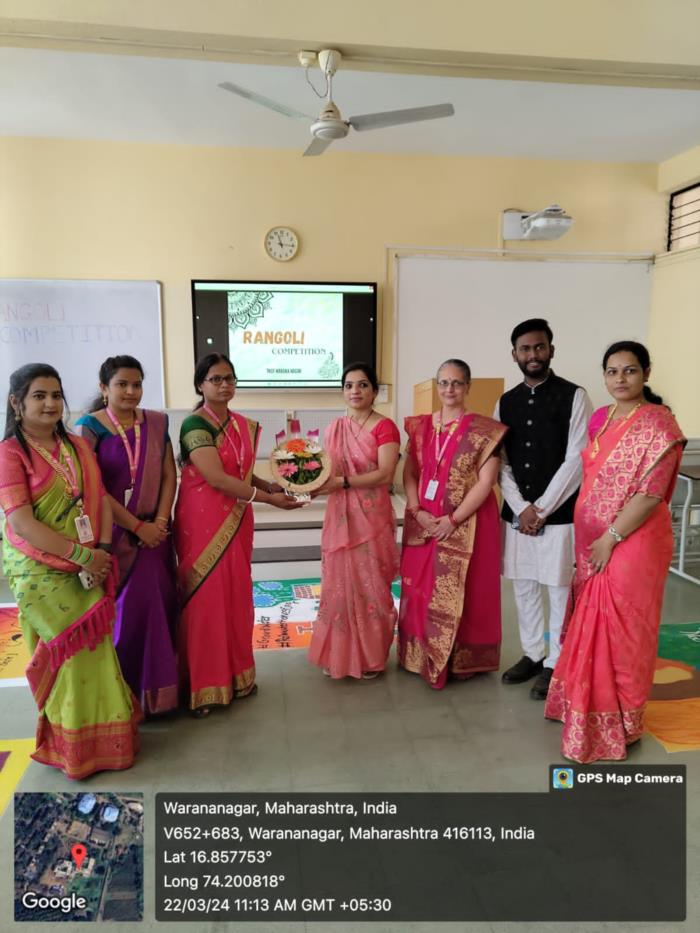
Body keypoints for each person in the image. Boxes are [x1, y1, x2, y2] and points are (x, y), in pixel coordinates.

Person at [545, 341, 685, 762]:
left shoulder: (659, 424)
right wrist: (595, 537)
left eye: (629, 370)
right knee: (592, 623)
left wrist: (610, 537)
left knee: (624, 630)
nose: (620, 379)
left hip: (634, 541)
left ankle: (621, 722)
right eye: (612, 371)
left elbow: (650, 494)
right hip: (594, 540)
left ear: (646, 373)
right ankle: (584, 709)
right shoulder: (601, 419)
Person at [0, 363, 140, 779]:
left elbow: (99, 499)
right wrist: (81, 557)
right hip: (41, 572)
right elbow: (22, 522)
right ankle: (73, 750)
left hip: (89, 562)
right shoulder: (9, 454)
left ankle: (109, 743)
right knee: (67, 658)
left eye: (56, 395)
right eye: (39, 396)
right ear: (17, 403)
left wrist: (100, 550)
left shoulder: (76, 445)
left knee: (96, 652)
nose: (50, 404)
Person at [174, 353, 302, 716]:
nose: (224, 385)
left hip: (237, 518)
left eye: (229, 378)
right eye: (215, 379)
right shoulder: (194, 425)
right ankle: (203, 687)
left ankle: (237, 677)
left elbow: (241, 474)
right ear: (200, 384)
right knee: (206, 601)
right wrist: (270, 500)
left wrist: (273, 485)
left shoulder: (242, 424)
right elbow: (216, 478)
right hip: (202, 522)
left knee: (236, 596)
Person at [75, 355, 178, 715]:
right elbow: (94, 488)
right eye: (122, 384)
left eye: (137, 384)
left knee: (159, 608)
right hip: (116, 536)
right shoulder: (90, 427)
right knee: (127, 615)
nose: (131, 391)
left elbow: (169, 475)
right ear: (104, 388)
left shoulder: (156, 423)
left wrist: (159, 521)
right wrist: (137, 527)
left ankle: (161, 696)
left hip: (156, 536)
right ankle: (127, 699)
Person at [496, 319, 592, 699]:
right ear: (514, 355)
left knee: (558, 586)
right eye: (525, 348)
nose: (533, 354)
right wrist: (521, 508)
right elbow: (500, 462)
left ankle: (557, 661)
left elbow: (577, 458)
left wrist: (542, 509)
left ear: (551, 350)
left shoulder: (575, 396)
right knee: (524, 585)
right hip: (518, 515)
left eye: (539, 347)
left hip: (560, 514)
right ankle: (533, 653)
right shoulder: (505, 402)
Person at [398, 359, 506, 689]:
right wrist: (416, 510)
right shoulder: (420, 427)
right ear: (437, 386)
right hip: (425, 519)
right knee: (420, 587)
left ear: (467, 386)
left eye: (457, 383)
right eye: (444, 382)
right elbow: (410, 472)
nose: (449, 389)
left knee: (467, 589)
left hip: (467, 522)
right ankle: (418, 653)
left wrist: (453, 519)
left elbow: (486, 482)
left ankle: (460, 659)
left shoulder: (485, 431)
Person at [308, 362, 400, 679]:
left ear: (374, 391)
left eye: (362, 385)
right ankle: (338, 654)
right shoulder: (335, 428)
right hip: (339, 517)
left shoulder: (385, 427)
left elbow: (385, 474)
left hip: (371, 520)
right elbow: (326, 473)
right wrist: (306, 484)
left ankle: (370, 657)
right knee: (338, 585)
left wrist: (343, 482)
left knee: (371, 586)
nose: (355, 391)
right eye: (349, 385)